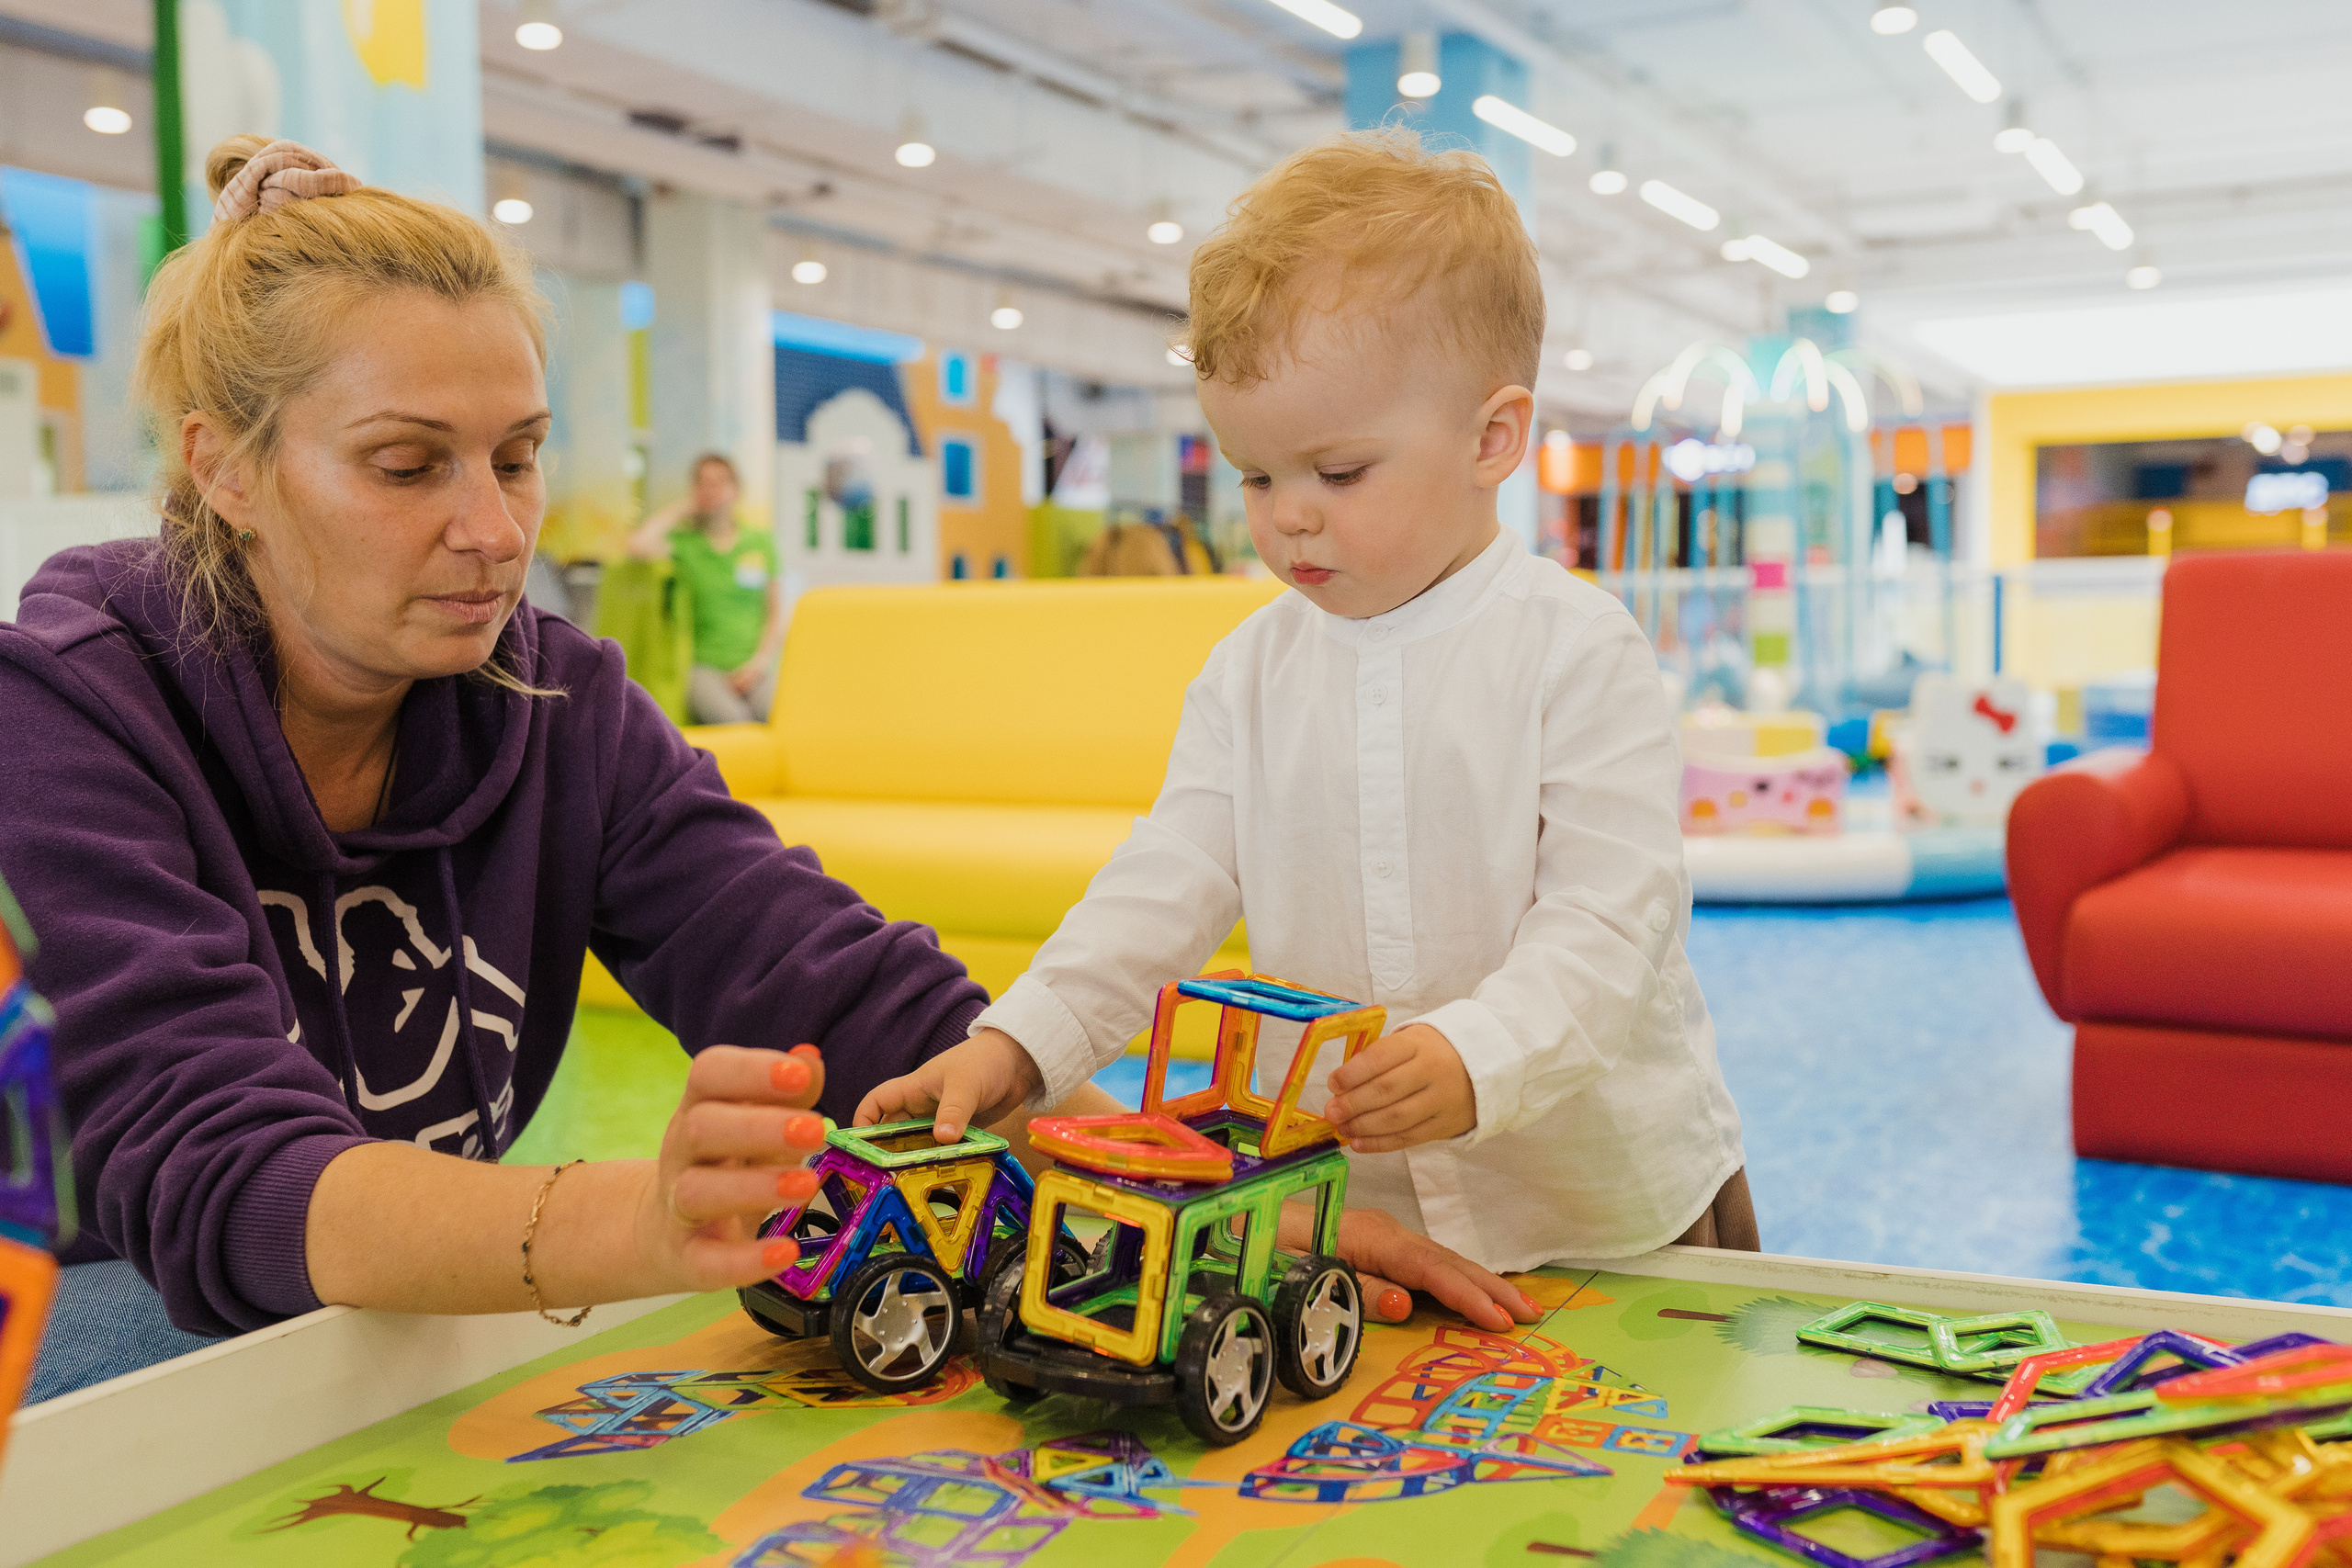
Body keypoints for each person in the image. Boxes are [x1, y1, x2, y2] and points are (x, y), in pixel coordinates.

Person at [0, 136, 1001, 1395]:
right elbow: (227, 1180)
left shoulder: (557, 699)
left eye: (517, 458)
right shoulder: (58, 714)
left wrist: (1064, 1119)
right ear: (226, 470)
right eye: (406, 465)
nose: (493, 530)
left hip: (339, 1287)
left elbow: (826, 977)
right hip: (86, 1294)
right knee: (252, 1343)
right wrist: (631, 1222)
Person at [858, 130, 1758, 1331]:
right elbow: (1162, 883)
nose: (1287, 518)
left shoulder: (1576, 650)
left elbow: (1608, 920)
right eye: (1253, 476)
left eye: (1338, 473)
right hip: (1364, 1221)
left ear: (1492, 439)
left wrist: (1479, 1053)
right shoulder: (1250, 672)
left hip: (1601, 1209)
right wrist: (1021, 1043)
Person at [625, 454, 783, 724]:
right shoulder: (686, 544)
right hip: (703, 667)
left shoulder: (760, 543)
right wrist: (681, 509)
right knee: (733, 721)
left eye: (720, 482)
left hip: (755, 664)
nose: (711, 489)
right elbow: (636, 546)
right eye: (703, 483)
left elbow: (776, 613)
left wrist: (759, 663)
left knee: (776, 714)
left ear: (736, 489)